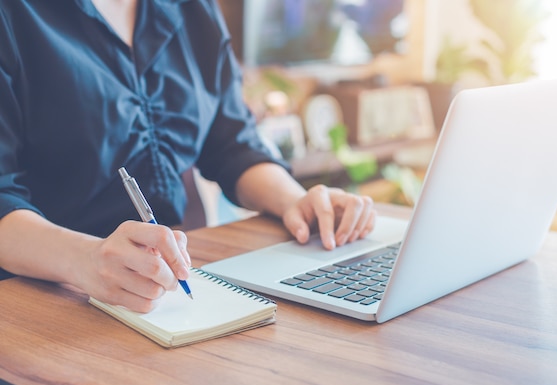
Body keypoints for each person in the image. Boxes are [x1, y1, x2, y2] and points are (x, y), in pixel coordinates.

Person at [0, 0, 376, 313]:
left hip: (166, 290)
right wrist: (85, 259)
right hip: (45, 299)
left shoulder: (194, 9)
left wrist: (296, 200)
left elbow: (232, 142)